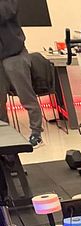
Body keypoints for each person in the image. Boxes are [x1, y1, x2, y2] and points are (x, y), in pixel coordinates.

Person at [0, 0, 43, 147]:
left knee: (26, 97)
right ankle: (4, 136)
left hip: (15, 55)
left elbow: (4, 13)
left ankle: (36, 133)